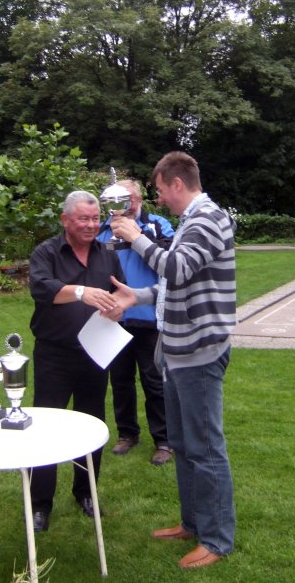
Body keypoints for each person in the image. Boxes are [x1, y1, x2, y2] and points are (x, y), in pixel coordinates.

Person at [107, 152, 237, 570]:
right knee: (183, 445)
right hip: (179, 350)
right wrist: (137, 296)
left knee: (206, 448)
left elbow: (177, 268)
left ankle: (216, 540)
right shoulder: (190, 222)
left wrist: (136, 238)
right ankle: (192, 523)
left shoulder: (208, 219)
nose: (159, 199)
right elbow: (175, 283)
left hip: (200, 352)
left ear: (177, 183)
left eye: (161, 190)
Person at [28, 190, 124, 533]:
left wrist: (118, 307)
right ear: (65, 220)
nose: (91, 225)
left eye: (95, 218)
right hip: (55, 355)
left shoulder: (106, 253)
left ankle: (86, 492)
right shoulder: (46, 253)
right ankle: (40, 503)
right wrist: (81, 292)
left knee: (92, 425)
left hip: (95, 352)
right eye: (83, 218)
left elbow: (120, 291)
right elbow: (42, 289)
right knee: (46, 427)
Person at [97, 179, 174, 465]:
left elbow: (170, 260)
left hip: (149, 316)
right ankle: (127, 434)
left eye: (129, 198)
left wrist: (137, 236)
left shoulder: (158, 225)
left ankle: (164, 440)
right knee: (120, 381)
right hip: (115, 317)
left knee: (154, 382)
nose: (125, 205)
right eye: (118, 199)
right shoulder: (103, 229)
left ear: (140, 199)